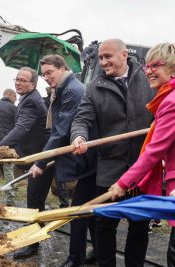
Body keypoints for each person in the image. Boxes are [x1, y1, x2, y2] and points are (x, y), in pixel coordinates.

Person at [71, 38, 155, 267]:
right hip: (110, 167)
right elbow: (82, 118)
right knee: (105, 225)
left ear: (124, 55)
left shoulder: (147, 78)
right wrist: (79, 137)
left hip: (142, 169)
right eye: (100, 57)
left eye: (108, 56)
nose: (103, 62)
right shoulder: (94, 87)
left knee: (139, 226)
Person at [107, 43, 175, 267]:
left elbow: (153, 152)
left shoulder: (172, 103)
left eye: (156, 65)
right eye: (147, 65)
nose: (148, 71)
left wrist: (123, 182)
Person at [30, 54, 97, 267]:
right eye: (43, 75)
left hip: (82, 156)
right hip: (77, 155)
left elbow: (61, 131)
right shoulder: (62, 89)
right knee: (88, 208)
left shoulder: (73, 91)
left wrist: (40, 161)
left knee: (78, 210)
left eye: (49, 72)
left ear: (62, 68)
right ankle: (95, 250)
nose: (46, 77)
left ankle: (75, 259)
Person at [0, 66, 53, 259]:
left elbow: (22, 128)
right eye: (17, 79)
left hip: (42, 158)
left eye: (23, 80)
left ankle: (33, 245)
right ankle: (34, 239)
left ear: (33, 84)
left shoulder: (31, 102)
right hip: (38, 155)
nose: (18, 83)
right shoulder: (30, 98)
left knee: (34, 202)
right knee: (35, 200)